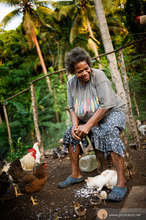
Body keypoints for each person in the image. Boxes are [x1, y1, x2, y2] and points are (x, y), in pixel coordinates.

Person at [58, 47, 127, 201]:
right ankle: (76, 174)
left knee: (109, 131)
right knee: (71, 133)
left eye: (86, 69)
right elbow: (71, 107)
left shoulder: (99, 76)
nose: (84, 73)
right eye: (79, 71)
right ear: (73, 72)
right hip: (86, 119)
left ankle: (121, 182)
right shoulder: (71, 84)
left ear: (89, 66)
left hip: (111, 112)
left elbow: (106, 105)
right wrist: (76, 126)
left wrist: (88, 126)